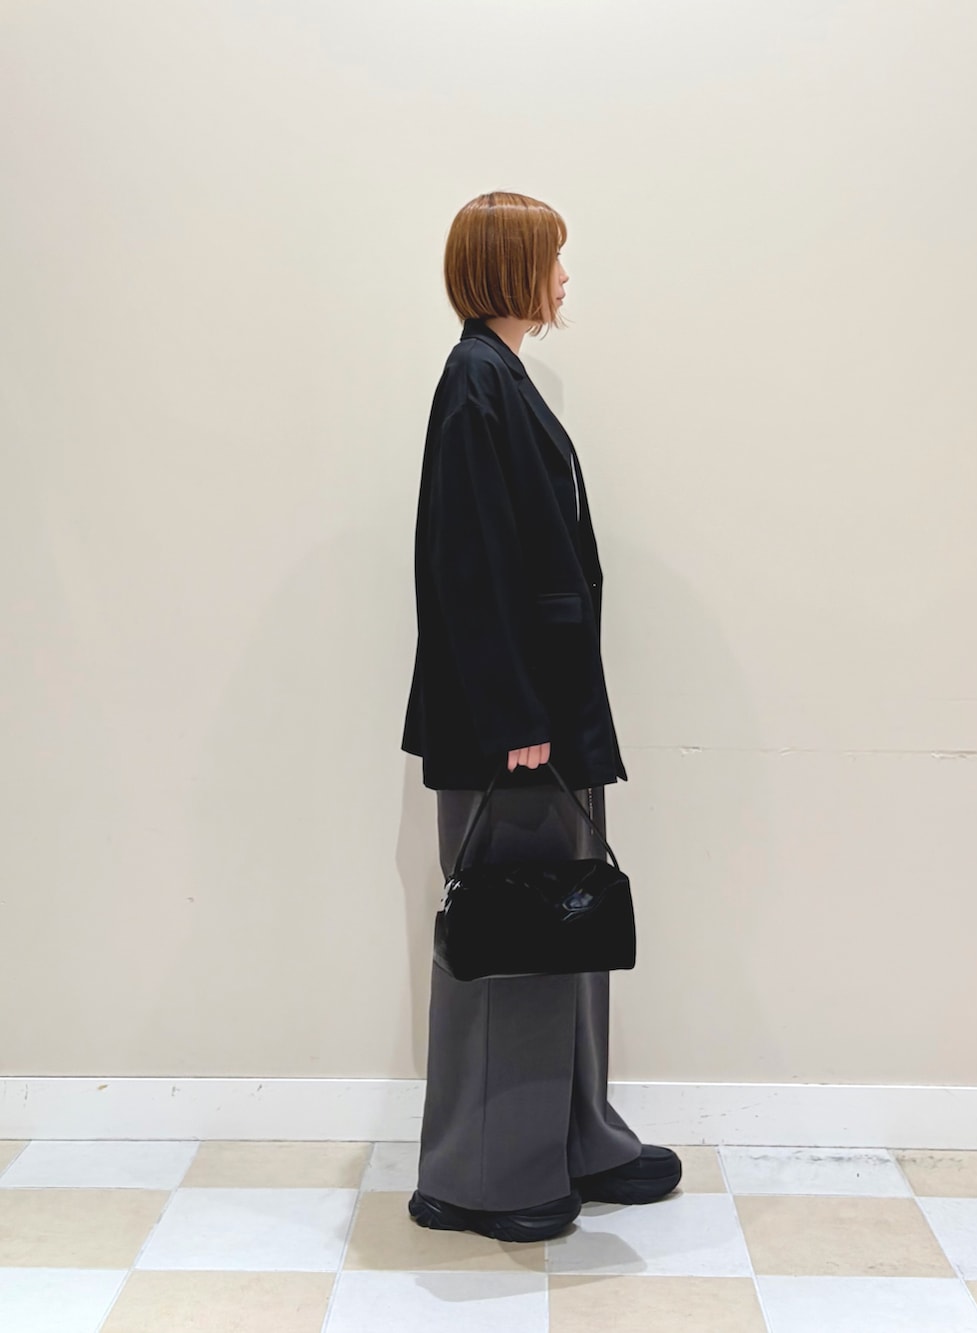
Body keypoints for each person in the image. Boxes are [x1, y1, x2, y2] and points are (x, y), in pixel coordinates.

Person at [401, 191, 682, 1242]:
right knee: (513, 936)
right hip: (513, 724)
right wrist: (514, 707)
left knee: (567, 918)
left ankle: (574, 1136)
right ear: (511, 268)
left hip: (548, 715)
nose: (566, 277)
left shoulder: (500, 377)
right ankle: (483, 1175)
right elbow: (466, 563)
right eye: (554, 258)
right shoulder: (474, 380)